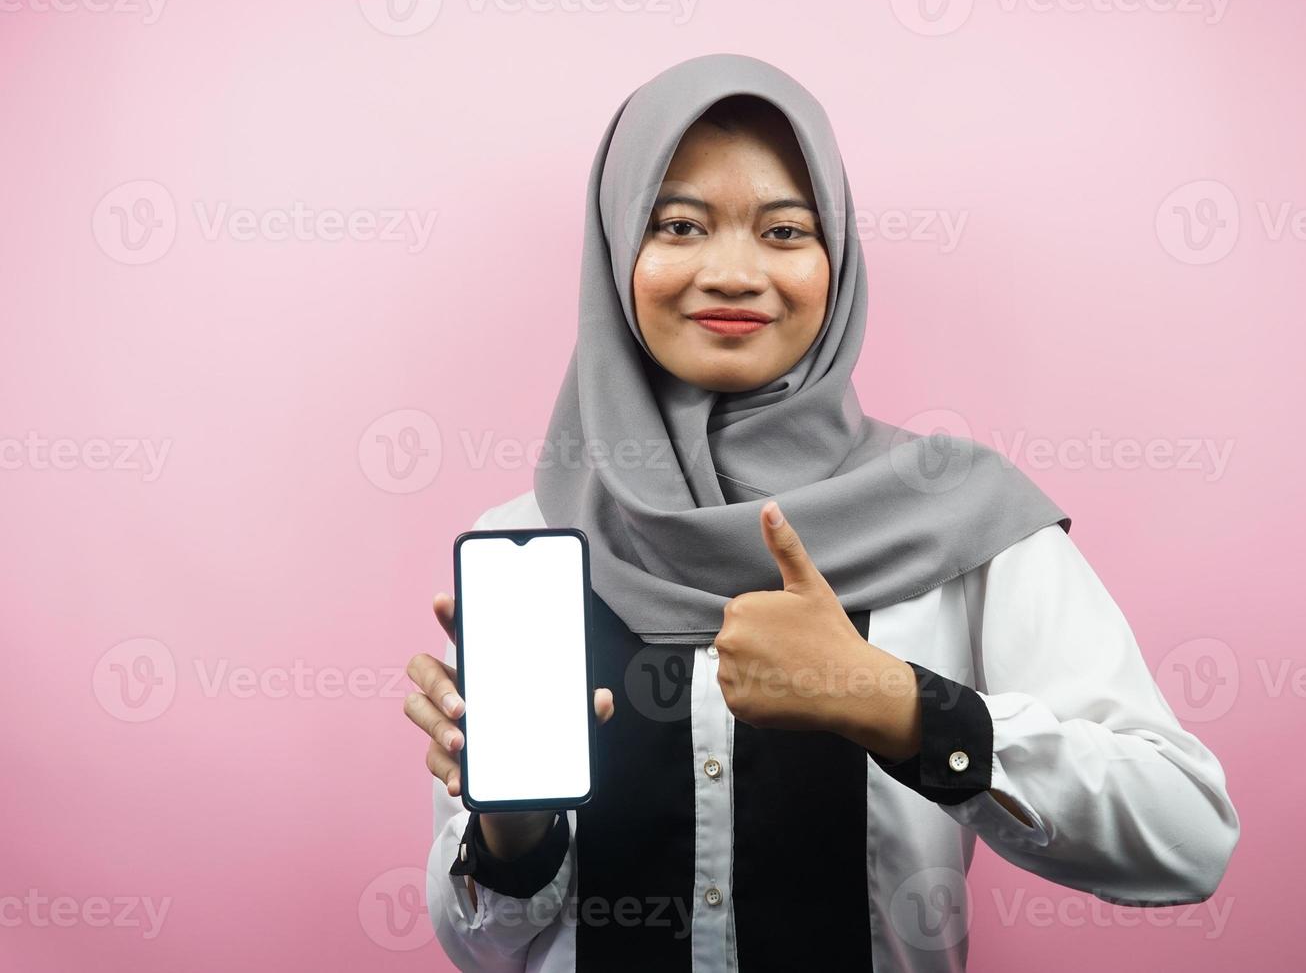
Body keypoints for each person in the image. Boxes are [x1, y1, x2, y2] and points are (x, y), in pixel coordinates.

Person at [403, 53, 1240, 972]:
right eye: (678, 224)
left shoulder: (958, 522)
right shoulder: (532, 541)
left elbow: (1188, 830)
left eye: (784, 230)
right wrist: (510, 833)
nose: (730, 272)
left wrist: (892, 701)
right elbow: (482, 946)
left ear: (835, 260)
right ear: (616, 252)